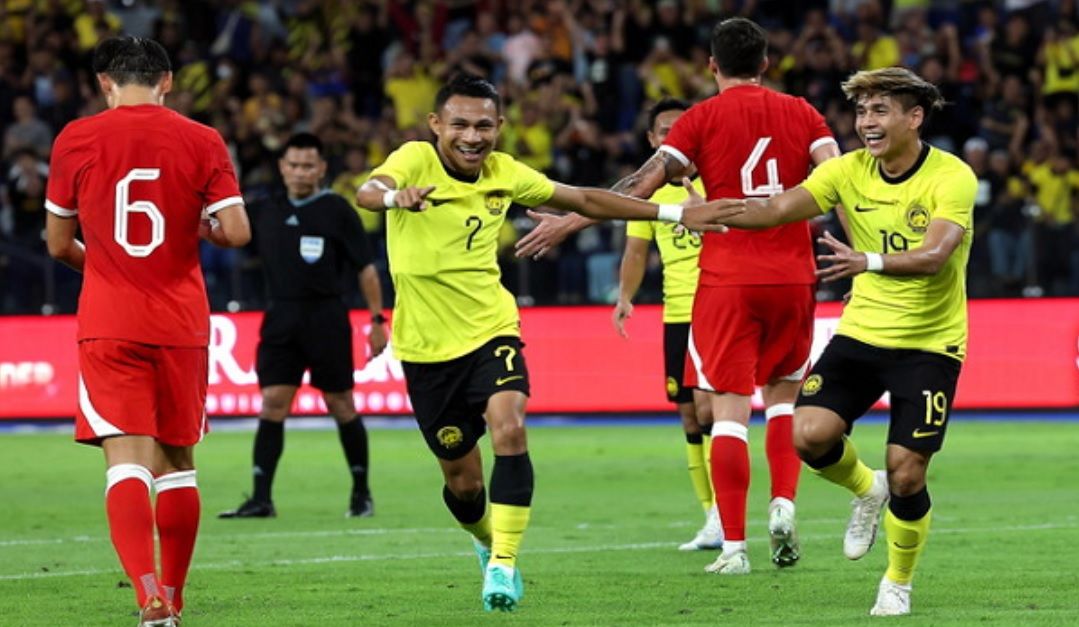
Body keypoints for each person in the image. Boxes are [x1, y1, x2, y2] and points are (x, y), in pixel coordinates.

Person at [354, 73, 739, 613]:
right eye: (460, 124)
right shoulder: (414, 158)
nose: (472, 136)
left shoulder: (504, 171)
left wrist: (676, 211)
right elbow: (367, 193)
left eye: (484, 125)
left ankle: (505, 565)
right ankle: (488, 543)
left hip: (492, 328)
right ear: (436, 124)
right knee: (463, 484)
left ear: (500, 127)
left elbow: (585, 198)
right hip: (424, 347)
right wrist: (397, 196)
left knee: (510, 427)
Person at [517, 17, 840, 575]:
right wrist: (862, 261)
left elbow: (639, 185)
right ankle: (784, 505)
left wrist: (570, 221)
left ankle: (736, 548)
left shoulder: (698, 121)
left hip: (726, 280)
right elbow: (843, 181)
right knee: (784, 399)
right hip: (793, 276)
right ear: (766, 64)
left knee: (730, 413)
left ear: (711, 66)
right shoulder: (805, 114)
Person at [691, 66, 975, 616]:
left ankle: (897, 581)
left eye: (880, 111)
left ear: (914, 118)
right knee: (808, 434)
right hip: (862, 333)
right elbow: (775, 208)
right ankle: (867, 491)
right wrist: (704, 212)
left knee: (908, 469)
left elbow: (936, 255)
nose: (866, 122)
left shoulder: (951, 176)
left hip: (930, 343)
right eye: (862, 111)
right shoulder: (846, 171)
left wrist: (864, 260)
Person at [44, 36, 250, 627]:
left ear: (104, 82)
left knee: (126, 464)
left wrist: (108, 263)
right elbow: (236, 232)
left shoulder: (76, 138)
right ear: (167, 81)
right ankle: (178, 597)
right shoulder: (202, 138)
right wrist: (204, 231)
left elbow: (58, 244)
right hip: (181, 322)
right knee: (178, 464)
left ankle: (148, 597)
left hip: (111, 321)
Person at [219, 132, 387, 520]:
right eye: (293, 165)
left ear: (322, 168)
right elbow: (227, 231)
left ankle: (361, 494)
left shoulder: (337, 210)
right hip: (281, 317)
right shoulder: (264, 209)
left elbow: (366, 268)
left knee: (340, 403)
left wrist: (377, 321)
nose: (299, 172)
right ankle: (262, 498)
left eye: (308, 165)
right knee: (273, 402)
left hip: (327, 317)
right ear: (282, 167)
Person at [611, 98, 720, 552]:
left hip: (718, 309)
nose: (673, 138)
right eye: (665, 132)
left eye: (682, 131)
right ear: (653, 141)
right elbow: (638, 251)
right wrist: (625, 296)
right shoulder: (649, 193)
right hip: (677, 316)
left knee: (713, 410)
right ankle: (711, 517)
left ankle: (727, 511)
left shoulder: (717, 182)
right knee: (689, 414)